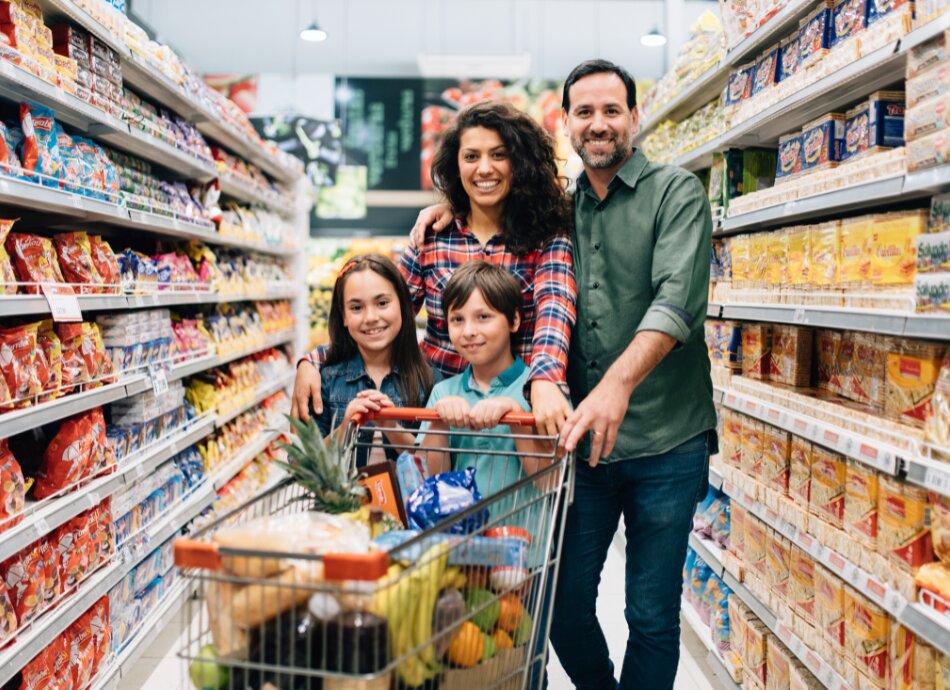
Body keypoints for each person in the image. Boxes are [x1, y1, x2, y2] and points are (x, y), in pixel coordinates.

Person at [408, 60, 716, 690]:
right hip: (579, 444)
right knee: (563, 608)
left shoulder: (677, 193)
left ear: (634, 115)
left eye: (611, 110)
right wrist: (452, 202)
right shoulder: (554, 213)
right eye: (584, 112)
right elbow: (509, 253)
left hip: (666, 438)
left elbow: (675, 301)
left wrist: (608, 386)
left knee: (651, 617)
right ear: (567, 123)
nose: (598, 124)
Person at [292, 101, 576, 438]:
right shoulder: (433, 237)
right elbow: (386, 312)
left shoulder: (545, 236)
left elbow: (555, 308)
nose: (484, 168)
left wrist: (544, 378)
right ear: (456, 165)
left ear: (520, 162)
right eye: (471, 156)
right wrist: (316, 360)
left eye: (499, 155)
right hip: (441, 412)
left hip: (518, 413)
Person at [311, 253, 433, 466]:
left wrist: (390, 426)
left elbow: (435, 466)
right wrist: (346, 426)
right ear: (344, 317)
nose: (371, 318)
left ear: (403, 305)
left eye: (382, 303)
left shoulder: (429, 380)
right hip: (346, 500)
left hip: (409, 500)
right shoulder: (324, 382)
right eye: (356, 308)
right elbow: (302, 466)